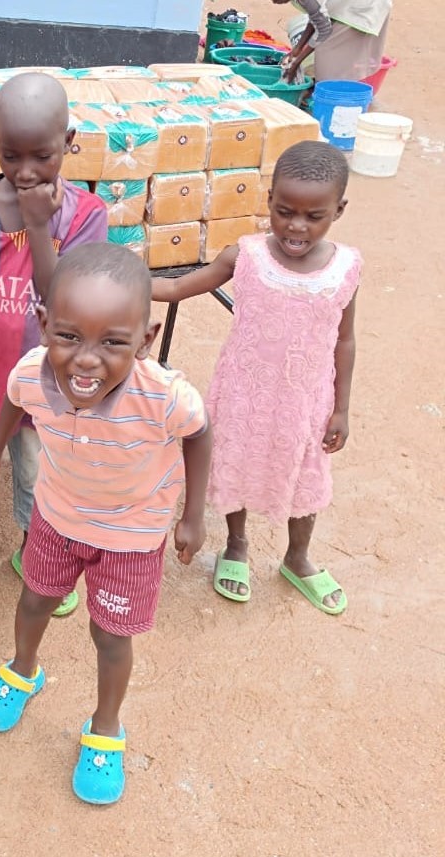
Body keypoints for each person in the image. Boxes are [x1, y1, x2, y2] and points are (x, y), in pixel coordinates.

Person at [0, 243, 212, 805]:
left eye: (113, 343)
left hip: (132, 536)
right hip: (56, 516)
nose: (85, 360)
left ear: (147, 340)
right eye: (69, 336)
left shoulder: (165, 397)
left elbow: (200, 436)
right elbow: (15, 398)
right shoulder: (33, 372)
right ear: (43, 325)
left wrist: (193, 514)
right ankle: (21, 671)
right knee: (35, 599)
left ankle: (105, 728)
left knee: (110, 635)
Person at [0, 71, 108, 626]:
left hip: (49, 388)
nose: (26, 171)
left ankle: (36, 550)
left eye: (43, 155)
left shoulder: (85, 216)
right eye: (12, 154)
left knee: (40, 474)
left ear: (69, 140)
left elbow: (58, 300)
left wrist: (37, 227)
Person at [152, 140, 360, 615]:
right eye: (285, 211)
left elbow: (345, 340)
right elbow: (179, 288)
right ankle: (237, 544)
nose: (296, 226)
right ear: (269, 200)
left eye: (314, 216)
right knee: (237, 465)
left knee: (305, 476)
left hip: (306, 404)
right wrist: (115, 276)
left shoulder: (346, 269)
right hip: (245, 396)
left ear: (339, 211)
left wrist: (342, 407)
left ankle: (297, 556)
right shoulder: (244, 256)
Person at [280, 0, 393, 83]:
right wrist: (298, 48)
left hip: (361, 8)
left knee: (327, 56)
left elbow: (323, 30)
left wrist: (296, 62)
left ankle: (332, 97)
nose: (273, 2)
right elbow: (317, 17)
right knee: (328, 58)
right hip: (346, 6)